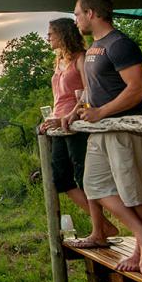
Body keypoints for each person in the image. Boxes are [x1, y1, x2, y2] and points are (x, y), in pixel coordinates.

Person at [65, 0, 142, 276]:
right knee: (94, 185)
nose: (76, 20)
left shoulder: (120, 44)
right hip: (101, 128)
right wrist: (78, 110)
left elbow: (138, 88)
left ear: (92, 14)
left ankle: (140, 250)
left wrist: (101, 112)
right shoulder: (96, 46)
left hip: (124, 127)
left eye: (77, 14)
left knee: (133, 191)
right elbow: (95, 90)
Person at [38, 18, 118, 247]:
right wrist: (51, 119)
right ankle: (104, 225)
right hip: (59, 127)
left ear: (63, 34)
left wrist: (71, 114)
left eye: (51, 33)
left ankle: (98, 232)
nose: (48, 37)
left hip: (78, 124)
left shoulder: (82, 59)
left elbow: (88, 93)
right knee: (61, 179)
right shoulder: (59, 61)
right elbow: (60, 97)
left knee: (85, 178)